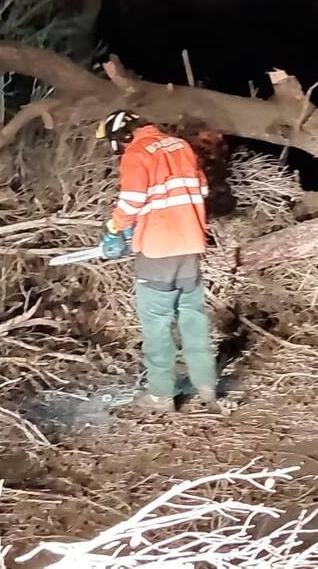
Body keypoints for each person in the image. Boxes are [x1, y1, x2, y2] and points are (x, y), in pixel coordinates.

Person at [96, 110, 219, 413]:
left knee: (157, 323)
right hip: (189, 245)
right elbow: (200, 190)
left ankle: (161, 395)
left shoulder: (137, 152)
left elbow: (131, 203)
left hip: (158, 251)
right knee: (193, 317)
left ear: (123, 135)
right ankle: (206, 386)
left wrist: (115, 229)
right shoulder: (180, 145)